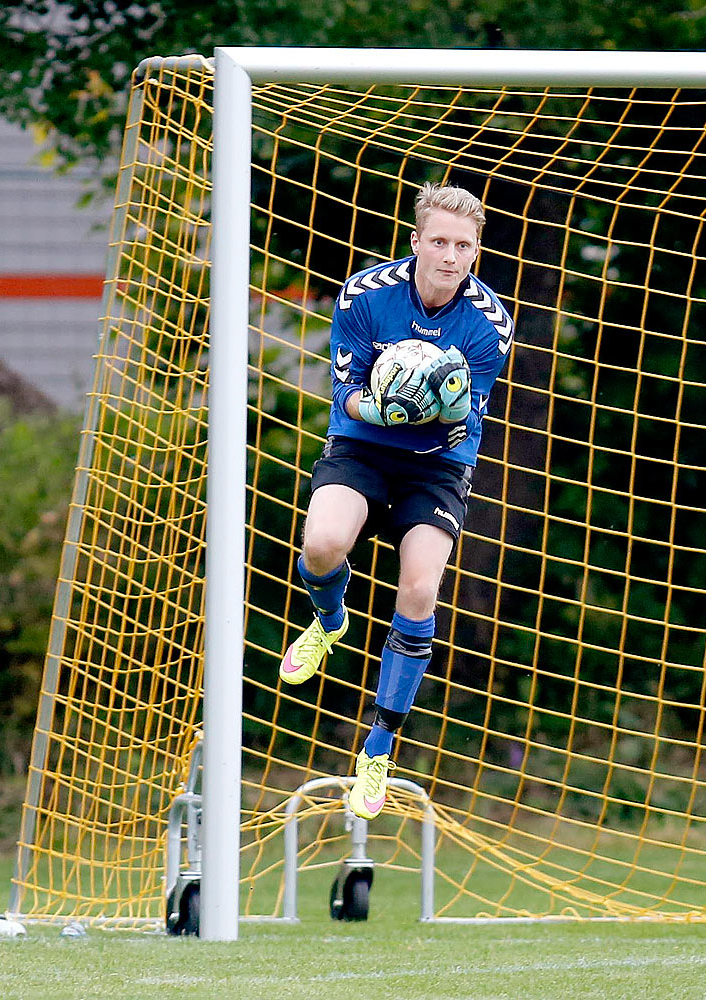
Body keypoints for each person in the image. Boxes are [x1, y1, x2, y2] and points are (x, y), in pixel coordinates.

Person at [280, 182, 513, 820]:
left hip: (437, 463)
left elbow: (462, 416)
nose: (450, 255)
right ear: (416, 242)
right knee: (323, 544)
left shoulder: (490, 324)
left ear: (476, 250)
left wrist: (433, 400)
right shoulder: (364, 294)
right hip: (361, 445)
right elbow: (345, 392)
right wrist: (385, 403)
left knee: (418, 591)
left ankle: (378, 749)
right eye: (438, 241)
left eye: (463, 245)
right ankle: (330, 621)